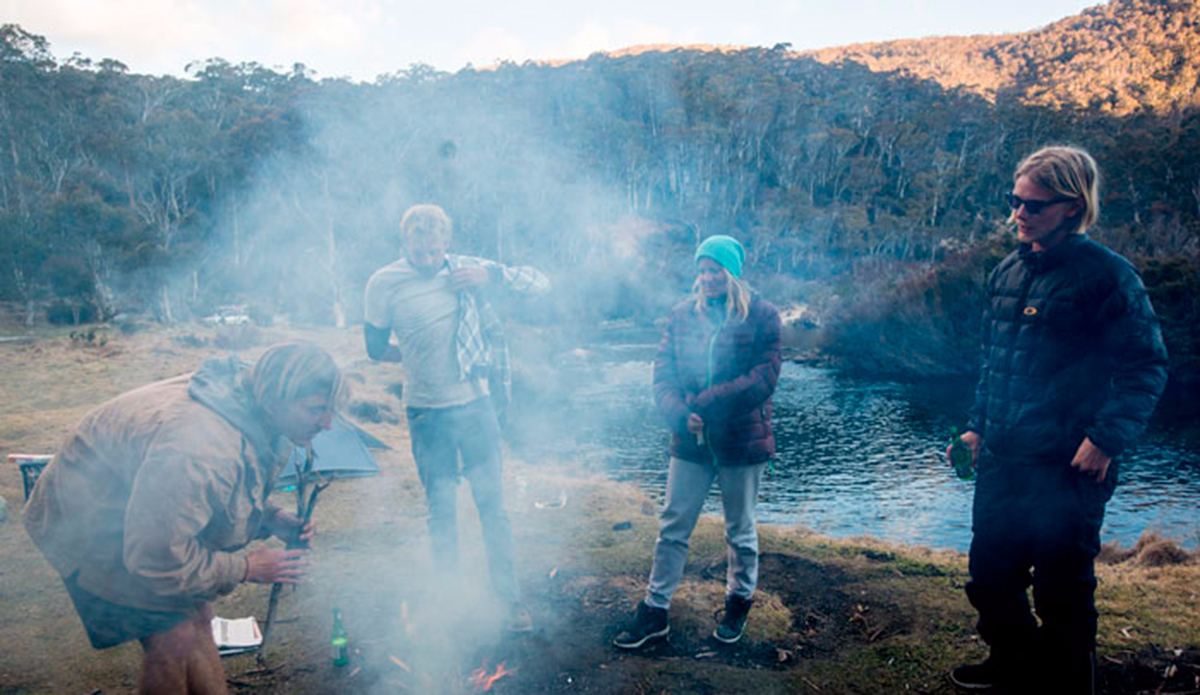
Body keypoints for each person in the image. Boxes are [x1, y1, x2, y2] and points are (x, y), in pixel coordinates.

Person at [948, 146, 1168, 694]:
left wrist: (1104, 439)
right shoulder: (1006, 270)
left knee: (1062, 591)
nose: (1018, 214)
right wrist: (977, 426)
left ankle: (1069, 685)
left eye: (1033, 205)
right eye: (1014, 201)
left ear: (1072, 206)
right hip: (1003, 458)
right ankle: (1014, 664)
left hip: (1067, 465)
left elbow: (1146, 367)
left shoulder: (1109, 278)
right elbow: (995, 363)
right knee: (991, 578)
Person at [23, 342, 343, 695]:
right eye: (316, 410)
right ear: (277, 396)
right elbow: (155, 557)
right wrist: (247, 567)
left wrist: (269, 518)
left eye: (330, 410)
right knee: (171, 637)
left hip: (143, 504)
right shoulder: (199, 447)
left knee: (197, 615)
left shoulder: (251, 402)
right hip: (86, 515)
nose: (327, 423)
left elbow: (215, 489)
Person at [363, 203, 549, 633]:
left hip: (475, 406)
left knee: (492, 507)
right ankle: (449, 601)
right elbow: (374, 348)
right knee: (441, 509)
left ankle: (509, 601)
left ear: (446, 243)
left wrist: (492, 276)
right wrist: (413, 355)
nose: (428, 261)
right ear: (404, 244)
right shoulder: (383, 283)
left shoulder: (468, 270)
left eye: (434, 252)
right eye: (418, 253)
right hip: (426, 412)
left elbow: (541, 283)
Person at [613, 234, 782, 650]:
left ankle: (737, 603)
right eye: (703, 270)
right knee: (673, 524)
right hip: (690, 439)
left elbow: (763, 378)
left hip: (741, 441)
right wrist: (677, 413)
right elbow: (662, 373)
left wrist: (705, 404)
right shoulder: (682, 314)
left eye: (716, 269)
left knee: (739, 530)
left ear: (733, 272)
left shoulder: (762, 315)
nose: (708, 277)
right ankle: (655, 611)